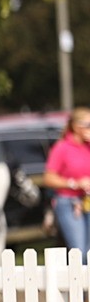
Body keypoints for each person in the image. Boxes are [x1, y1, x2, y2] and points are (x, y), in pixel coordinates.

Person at [43, 107, 90, 259]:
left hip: (88, 200)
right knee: (79, 250)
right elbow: (49, 178)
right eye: (88, 125)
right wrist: (74, 183)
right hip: (69, 201)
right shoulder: (62, 148)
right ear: (76, 126)